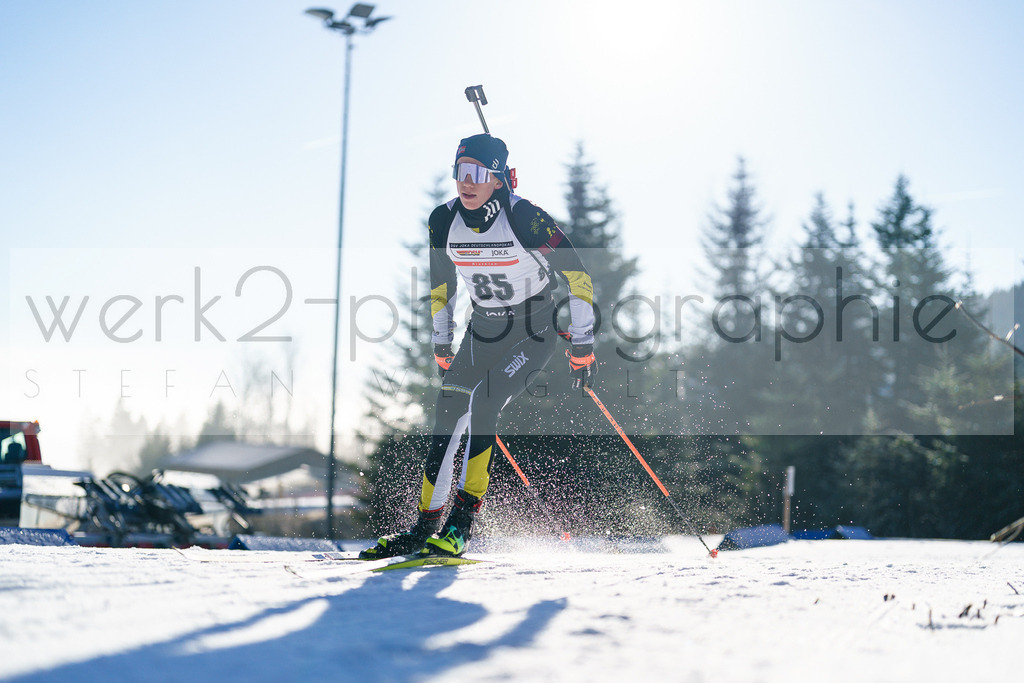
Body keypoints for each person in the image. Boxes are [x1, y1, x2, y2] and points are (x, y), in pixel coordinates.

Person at [360, 133, 598, 559]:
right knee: (449, 406)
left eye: (476, 173)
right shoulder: (442, 221)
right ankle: (424, 526)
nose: (465, 183)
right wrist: (441, 339)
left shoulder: (524, 217)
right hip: (483, 329)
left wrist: (582, 343)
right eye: (459, 172)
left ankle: (460, 526)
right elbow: (440, 284)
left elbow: (578, 276)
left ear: (498, 178)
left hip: (533, 330)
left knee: (485, 403)